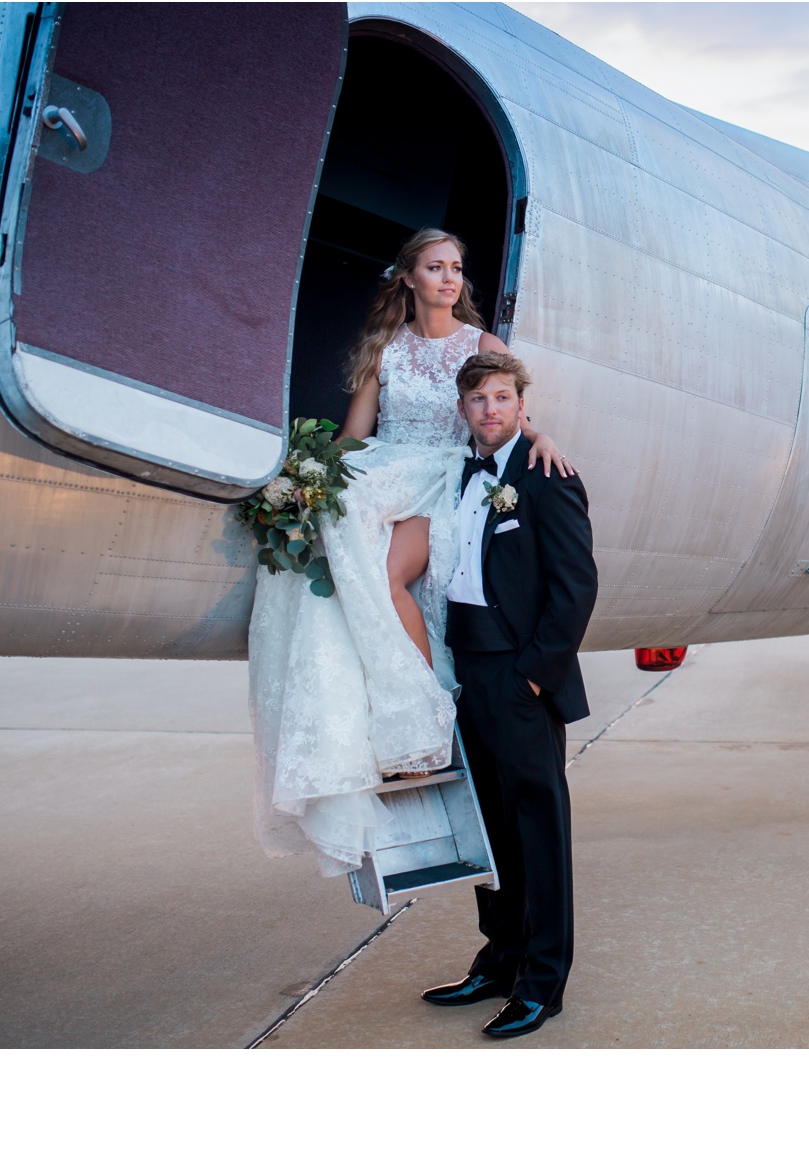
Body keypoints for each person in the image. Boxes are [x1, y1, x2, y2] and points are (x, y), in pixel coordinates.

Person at [250, 229, 572, 876]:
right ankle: (380, 718)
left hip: (440, 478)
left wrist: (539, 439)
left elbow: (506, 407)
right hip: (387, 470)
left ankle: (420, 718)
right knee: (337, 541)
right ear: (407, 277)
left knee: (387, 575)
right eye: (435, 267)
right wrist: (301, 478)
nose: (449, 278)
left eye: (456, 268)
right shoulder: (386, 351)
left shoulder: (479, 344)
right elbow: (353, 437)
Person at [418, 352, 597, 1039]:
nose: (490, 410)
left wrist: (533, 674)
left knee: (537, 831)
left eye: (501, 398)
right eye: (478, 400)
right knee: (488, 827)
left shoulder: (546, 477)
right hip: (465, 666)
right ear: (463, 409)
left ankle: (541, 982)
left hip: (518, 675)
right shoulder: (462, 473)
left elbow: (575, 585)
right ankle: (499, 958)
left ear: (522, 404)